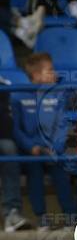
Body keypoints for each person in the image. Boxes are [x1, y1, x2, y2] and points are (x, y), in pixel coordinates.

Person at [13, 53, 77, 230]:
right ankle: (42, 218)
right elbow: (16, 130)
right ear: (35, 76)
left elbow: (62, 126)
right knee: (34, 171)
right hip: (30, 152)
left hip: (53, 150)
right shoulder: (18, 97)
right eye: (50, 70)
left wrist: (54, 148)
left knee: (61, 170)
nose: (54, 74)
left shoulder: (58, 96)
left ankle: (70, 216)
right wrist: (31, 147)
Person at [0, 74, 29, 231]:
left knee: (9, 148)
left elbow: (5, 124)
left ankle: (12, 214)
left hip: (1, 138)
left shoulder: (4, 85)